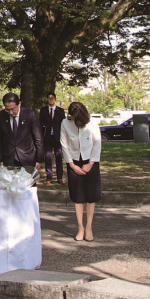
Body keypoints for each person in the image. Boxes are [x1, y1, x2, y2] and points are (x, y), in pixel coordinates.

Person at [61, 102, 102, 242]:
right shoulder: (65, 123)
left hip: (90, 161)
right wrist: (71, 165)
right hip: (73, 162)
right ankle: (80, 227)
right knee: (77, 197)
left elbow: (97, 143)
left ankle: (89, 227)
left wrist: (90, 164)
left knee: (91, 196)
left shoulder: (92, 123)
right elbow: (64, 144)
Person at [0, 93, 43, 171]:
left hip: (27, 158)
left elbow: (38, 139)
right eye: (7, 109)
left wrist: (39, 159)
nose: (10, 112)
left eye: (13, 109)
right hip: (9, 158)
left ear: (19, 104)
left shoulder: (30, 115)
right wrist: (0, 160)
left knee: (28, 182)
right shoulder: (2, 116)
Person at [39, 92, 66, 184]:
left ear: (55, 99)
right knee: (48, 157)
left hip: (57, 137)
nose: (50, 100)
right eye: (49, 98)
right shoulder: (43, 110)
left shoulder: (60, 111)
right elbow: (40, 123)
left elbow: (64, 124)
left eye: (52, 98)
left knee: (59, 157)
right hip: (47, 137)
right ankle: (49, 177)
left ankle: (59, 177)